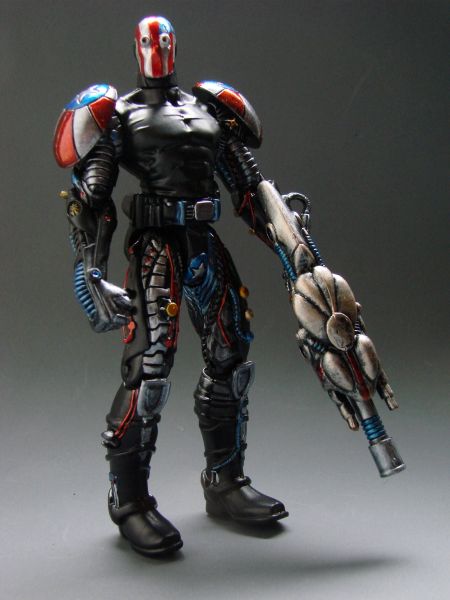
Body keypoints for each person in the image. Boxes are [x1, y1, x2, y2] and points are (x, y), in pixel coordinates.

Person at [54, 15, 404, 557]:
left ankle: (225, 482)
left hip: (204, 242)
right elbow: (91, 200)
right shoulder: (117, 114)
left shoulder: (208, 108)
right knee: (150, 368)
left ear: (174, 46)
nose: (157, 49)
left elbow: (249, 188)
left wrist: (292, 249)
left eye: (164, 40)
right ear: (137, 48)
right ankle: (130, 501)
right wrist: (92, 272)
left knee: (232, 355)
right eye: (148, 41)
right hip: (157, 248)